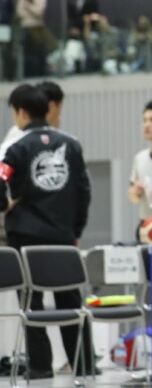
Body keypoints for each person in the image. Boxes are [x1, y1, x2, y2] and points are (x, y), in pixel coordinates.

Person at [2, 85, 94, 379]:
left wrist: (5, 205)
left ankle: (41, 366)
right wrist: (76, 229)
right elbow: (84, 191)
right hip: (63, 237)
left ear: (21, 112)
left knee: (32, 302)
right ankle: (84, 364)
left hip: (25, 236)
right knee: (71, 301)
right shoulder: (72, 145)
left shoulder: (15, 148)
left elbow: (0, 179)